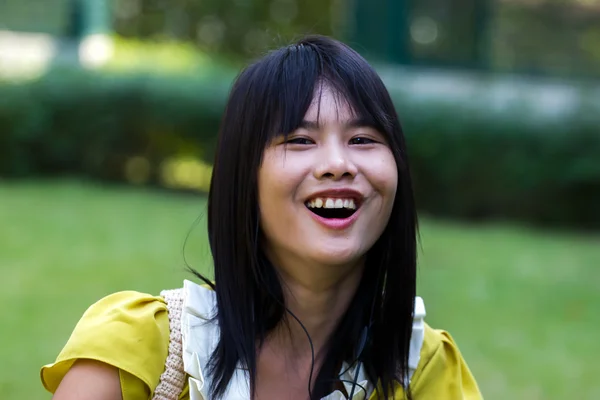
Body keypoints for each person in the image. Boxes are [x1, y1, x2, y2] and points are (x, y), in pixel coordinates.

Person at [40, 35, 482, 400]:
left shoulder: (424, 371)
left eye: (363, 138)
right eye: (301, 140)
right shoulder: (140, 352)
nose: (338, 164)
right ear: (243, 177)